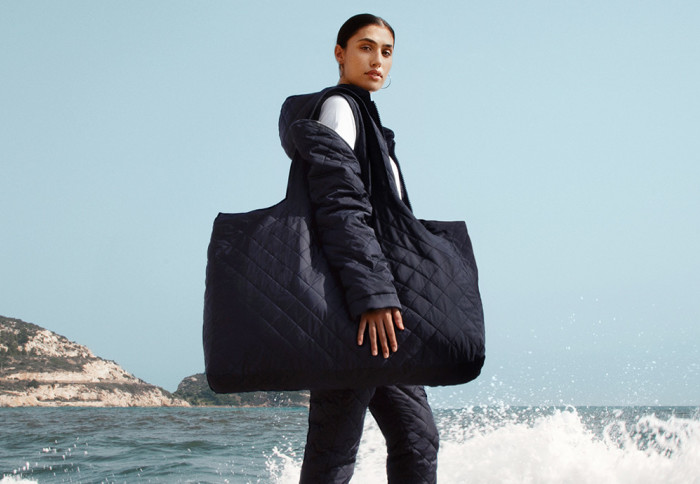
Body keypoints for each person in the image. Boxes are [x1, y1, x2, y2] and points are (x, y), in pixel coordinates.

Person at [278, 14, 439, 484]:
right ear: (340, 53)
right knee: (334, 452)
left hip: (381, 312)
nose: (377, 61)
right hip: (357, 309)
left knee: (417, 438)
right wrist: (373, 296)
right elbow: (339, 203)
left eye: (386, 52)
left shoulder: (369, 122)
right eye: (366, 47)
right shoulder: (341, 108)